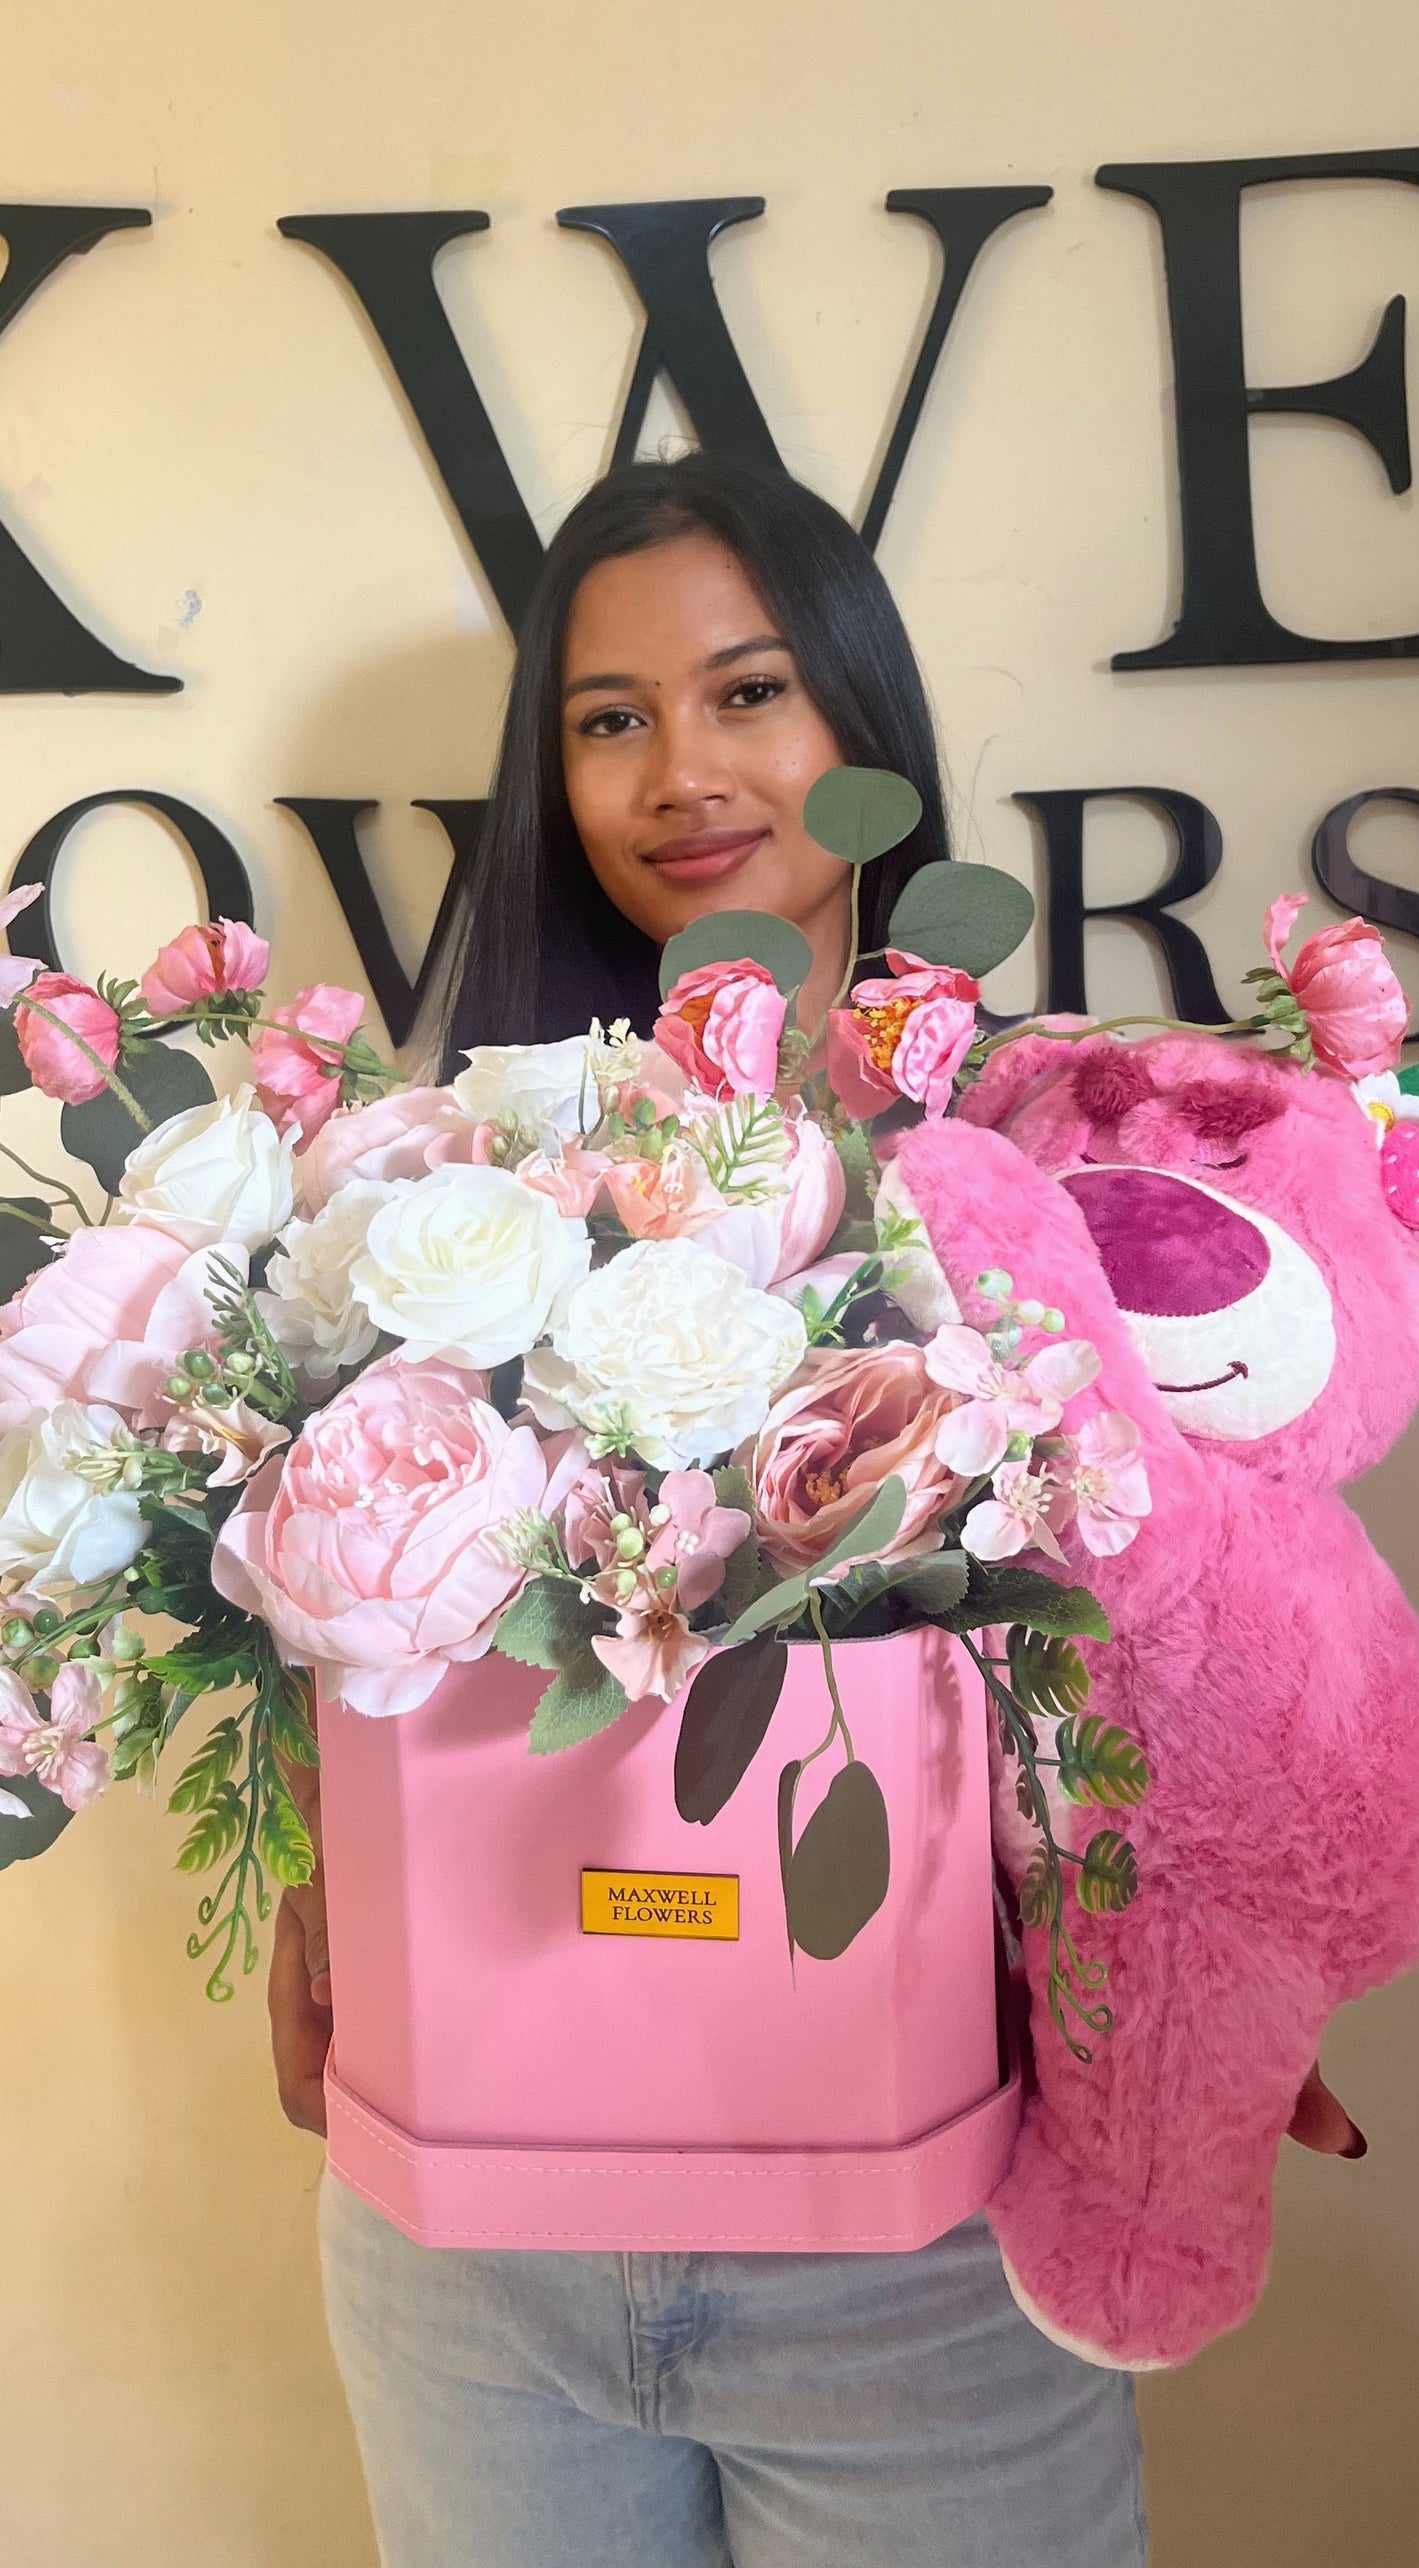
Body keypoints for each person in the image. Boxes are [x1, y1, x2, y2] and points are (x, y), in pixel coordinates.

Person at [269, 451, 1358, 2568]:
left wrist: (1208, 1955)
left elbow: (1198, 1605)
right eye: (609, 719)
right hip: (479, 2235)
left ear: (860, 723)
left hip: (923, 2240)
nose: (682, 769)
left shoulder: (1048, 1141)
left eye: (748, 691)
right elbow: (337, 1582)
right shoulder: (446, 1173)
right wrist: (327, 1874)